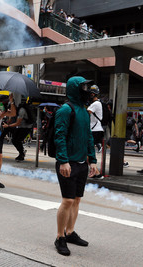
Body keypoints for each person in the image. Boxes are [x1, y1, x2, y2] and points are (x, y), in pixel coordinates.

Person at [54, 76, 98, 256]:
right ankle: (59, 237)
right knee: (68, 200)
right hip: (68, 163)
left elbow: (88, 136)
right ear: (75, 89)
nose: (87, 90)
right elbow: (59, 136)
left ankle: (70, 232)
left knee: (77, 200)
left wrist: (93, 160)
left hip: (81, 163)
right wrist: (63, 160)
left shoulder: (83, 110)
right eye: (84, 87)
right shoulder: (66, 109)